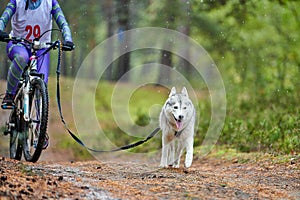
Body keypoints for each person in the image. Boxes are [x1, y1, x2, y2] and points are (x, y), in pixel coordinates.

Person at [0, 0, 75, 148]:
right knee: (22, 58)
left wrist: (68, 39)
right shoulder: (17, 2)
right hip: (18, 44)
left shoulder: (50, 3)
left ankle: (40, 129)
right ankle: (10, 94)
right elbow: (3, 19)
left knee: (42, 83)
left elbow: (63, 22)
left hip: (41, 48)